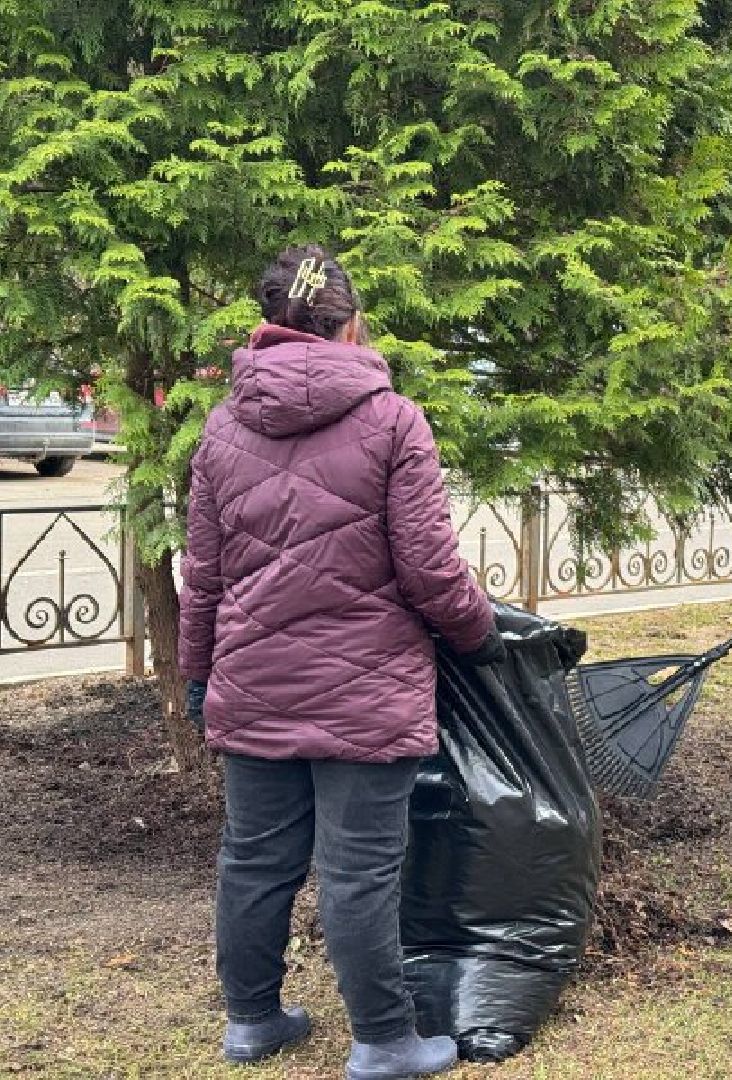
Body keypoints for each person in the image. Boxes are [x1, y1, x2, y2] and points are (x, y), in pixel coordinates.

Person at [180, 246, 502, 1079]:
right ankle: (385, 1042)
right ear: (349, 325)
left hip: (253, 681)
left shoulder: (222, 426)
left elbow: (203, 575)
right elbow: (432, 570)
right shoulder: (394, 420)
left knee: (254, 858)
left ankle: (253, 1021)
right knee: (358, 872)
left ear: (269, 325)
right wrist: (476, 636)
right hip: (368, 687)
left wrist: (197, 673)